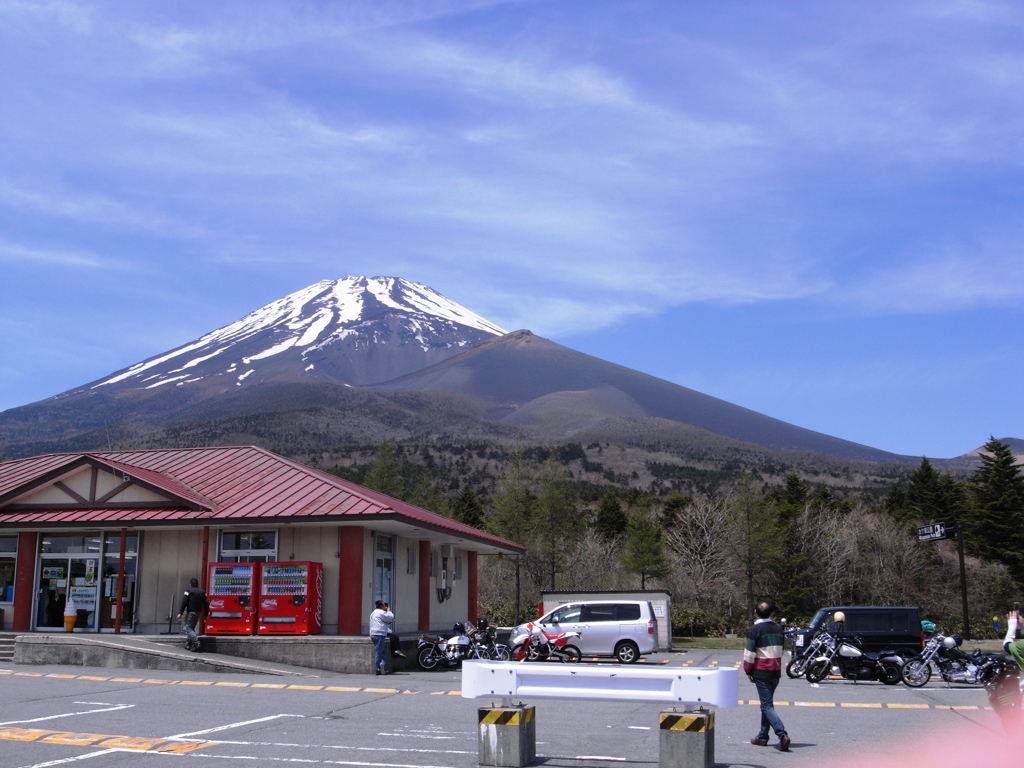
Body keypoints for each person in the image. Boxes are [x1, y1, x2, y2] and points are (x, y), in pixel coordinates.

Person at [743, 600, 791, 752]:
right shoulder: (778, 628)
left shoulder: (755, 630)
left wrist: (748, 671)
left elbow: (749, 654)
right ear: (771, 613)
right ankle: (762, 737)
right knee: (767, 703)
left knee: (766, 705)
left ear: (756, 612)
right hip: (775, 670)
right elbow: (782, 649)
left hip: (761, 670)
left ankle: (782, 734)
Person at [176, 578, 208, 652]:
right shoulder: (202, 592)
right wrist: (206, 614)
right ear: (197, 584)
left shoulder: (188, 591)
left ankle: (196, 642)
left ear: (190, 584)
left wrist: (180, 613)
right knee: (192, 628)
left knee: (188, 628)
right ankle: (188, 645)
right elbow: (206, 603)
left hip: (191, 611)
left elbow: (184, 602)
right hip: (198, 612)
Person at [369, 599, 395, 675]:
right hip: (379, 634)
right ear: (381, 606)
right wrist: (389, 611)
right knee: (379, 651)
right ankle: (378, 667)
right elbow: (390, 617)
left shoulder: (373, 613)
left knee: (381, 650)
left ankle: (382, 665)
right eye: (384, 605)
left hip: (374, 633)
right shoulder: (381, 612)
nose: (385, 606)